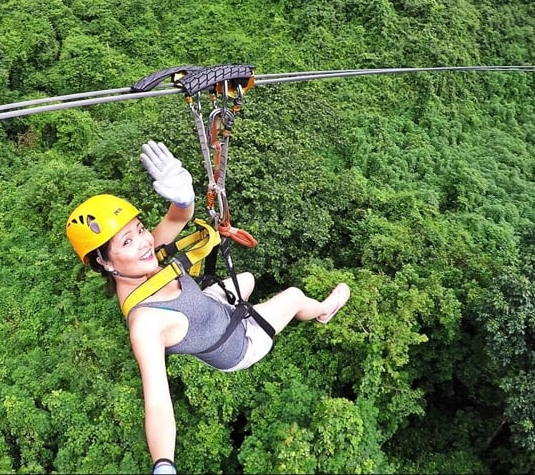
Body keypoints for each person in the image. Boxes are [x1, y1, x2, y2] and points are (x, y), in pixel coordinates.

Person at [65, 141, 350, 475]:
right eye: (127, 241)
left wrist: (183, 197)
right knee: (293, 296)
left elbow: (178, 216)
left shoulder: (140, 261)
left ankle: (251, 304)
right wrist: (164, 464)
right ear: (104, 263)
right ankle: (322, 310)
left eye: (139, 230)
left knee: (246, 279)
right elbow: (157, 402)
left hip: (211, 309)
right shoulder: (145, 325)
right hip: (237, 344)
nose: (144, 242)